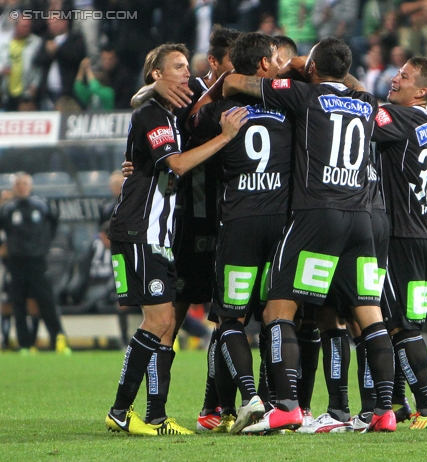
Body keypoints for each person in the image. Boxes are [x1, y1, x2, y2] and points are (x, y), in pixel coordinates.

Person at [224, 37, 397, 434]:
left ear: (313, 69)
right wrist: (325, 65)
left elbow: (237, 84)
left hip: (317, 216)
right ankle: (384, 411)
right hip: (361, 220)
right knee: (369, 316)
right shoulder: (368, 103)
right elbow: (352, 83)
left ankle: (285, 406)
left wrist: (297, 67)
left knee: (277, 309)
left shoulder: (306, 96)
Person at [105, 42, 247, 436]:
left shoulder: (165, 114)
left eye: (188, 66)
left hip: (157, 234)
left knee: (164, 325)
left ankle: (153, 415)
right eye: (179, 67)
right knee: (161, 320)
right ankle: (120, 410)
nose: (187, 72)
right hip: (138, 230)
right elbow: (179, 164)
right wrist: (225, 136)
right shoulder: (152, 112)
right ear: (157, 75)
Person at [190, 31, 291, 435]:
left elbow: (194, 116)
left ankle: (248, 398)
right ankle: (273, 403)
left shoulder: (221, 112)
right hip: (282, 226)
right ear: (264, 65)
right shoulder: (289, 108)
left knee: (230, 318)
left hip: (238, 224)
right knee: (274, 317)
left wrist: (222, 82)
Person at [371, 56, 427, 429]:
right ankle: (398, 403)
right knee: (400, 320)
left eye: (404, 76)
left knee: (399, 325)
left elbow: (362, 119)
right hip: (424, 233)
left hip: (398, 233)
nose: (394, 78)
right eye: (396, 71)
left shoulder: (398, 118)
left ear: (421, 92)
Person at [0, 172, 70, 355]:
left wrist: (44, 244)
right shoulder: (7, 209)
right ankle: (24, 344)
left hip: (38, 261)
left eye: (24, 183)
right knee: (18, 303)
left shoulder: (41, 205)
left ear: (30, 186)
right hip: (15, 263)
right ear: (14, 187)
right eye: (18, 184)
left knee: (46, 301)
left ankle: (59, 340)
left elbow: (54, 222)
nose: (21, 186)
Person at [0, 13, 42, 111]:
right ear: (16, 26)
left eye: (29, 26)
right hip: (6, 90)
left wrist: (35, 84)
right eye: (24, 26)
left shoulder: (36, 42)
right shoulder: (4, 42)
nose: (27, 29)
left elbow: (39, 66)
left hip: (26, 91)